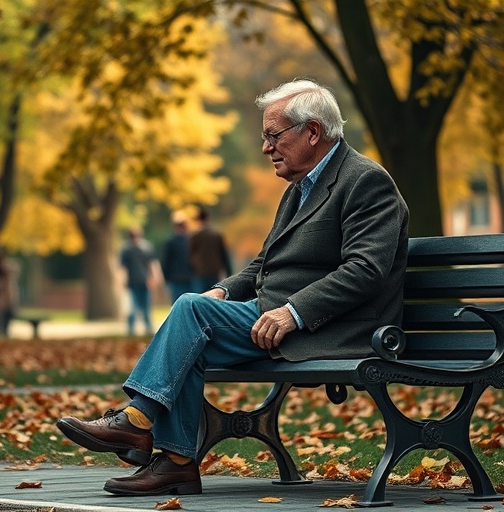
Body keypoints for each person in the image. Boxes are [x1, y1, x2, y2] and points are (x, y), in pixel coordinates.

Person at [57, 78, 409, 496]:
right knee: (194, 324)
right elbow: (265, 263)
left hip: (338, 329)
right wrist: (223, 291)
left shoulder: (365, 181)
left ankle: (138, 424)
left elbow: (365, 270)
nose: (266, 148)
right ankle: (175, 463)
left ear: (312, 132)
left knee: (189, 312)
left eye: (273, 136)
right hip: (273, 316)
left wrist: (293, 312)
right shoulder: (300, 188)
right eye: (265, 138)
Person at [119, 227, 158, 335]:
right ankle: (131, 329)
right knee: (133, 307)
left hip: (144, 281)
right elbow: (123, 267)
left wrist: (154, 278)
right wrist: (123, 280)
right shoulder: (128, 250)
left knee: (145, 307)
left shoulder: (143, 248)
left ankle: (148, 328)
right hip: (134, 282)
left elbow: (151, 264)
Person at [188, 206, 232, 293]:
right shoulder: (216, 235)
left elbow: (190, 255)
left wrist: (192, 269)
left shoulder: (195, 236)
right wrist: (228, 271)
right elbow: (224, 255)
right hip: (214, 271)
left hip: (200, 272)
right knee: (213, 296)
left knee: (200, 297)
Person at [160, 210, 194, 303]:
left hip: (175, 277)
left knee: (177, 303)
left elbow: (166, 261)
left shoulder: (171, 241)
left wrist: (166, 277)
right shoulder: (191, 240)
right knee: (190, 303)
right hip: (190, 276)